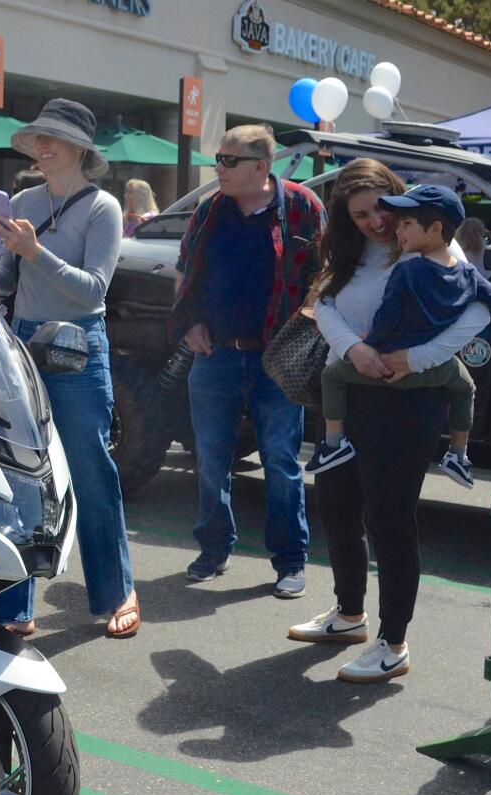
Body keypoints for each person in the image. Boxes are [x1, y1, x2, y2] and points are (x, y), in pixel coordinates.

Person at [288, 160, 491, 681]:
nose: (374, 223)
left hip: (407, 404)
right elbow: (322, 305)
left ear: (399, 201)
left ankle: (393, 641)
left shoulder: (429, 248)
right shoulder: (347, 255)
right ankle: (349, 615)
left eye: (380, 210)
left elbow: (478, 313)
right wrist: (354, 349)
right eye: (358, 216)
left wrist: (416, 358)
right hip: (351, 393)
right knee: (337, 507)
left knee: (390, 521)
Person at [0, 98, 141, 638]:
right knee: (16, 470)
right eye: (38, 138)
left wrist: (35, 250)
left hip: (77, 345)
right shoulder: (23, 198)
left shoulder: (103, 209)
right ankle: (14, 605)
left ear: (78, 149)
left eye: (52, 139)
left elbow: (95, 289)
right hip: (22, 342)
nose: (41, 147)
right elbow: (9, 281)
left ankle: (116, 592)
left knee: (90, 470)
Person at [168, 124, 325, 599]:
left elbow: (324, 281)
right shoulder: (210, 209)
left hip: (277, 357)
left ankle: (291, 561)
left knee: (281, 460)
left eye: (229, 160)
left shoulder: (302, 207)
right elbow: (184, 273)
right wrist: (189, 324)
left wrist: (305, 338)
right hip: (215, 352)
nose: (219, 167)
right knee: (211, 459)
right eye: (219, 158)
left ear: (262, 166)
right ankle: (214, 549)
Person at [307, 185, 491, 488]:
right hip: (438, 371)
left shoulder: (408, 271)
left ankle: (333, 443)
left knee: (332, 377)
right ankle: (458, 455)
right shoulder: (467, 273)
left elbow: (388, 316)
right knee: (465, 389)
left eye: (406, 224)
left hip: (388, 363)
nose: (397, 230)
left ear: (434, 229)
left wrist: (368, 344)